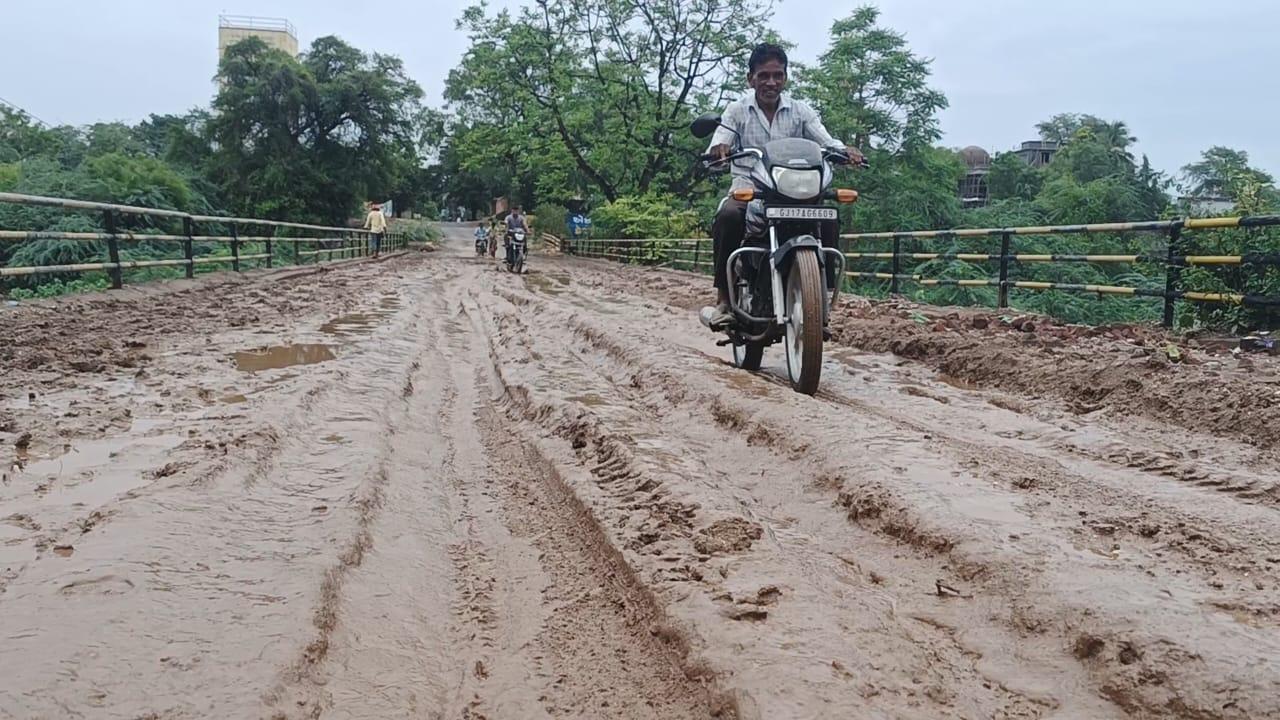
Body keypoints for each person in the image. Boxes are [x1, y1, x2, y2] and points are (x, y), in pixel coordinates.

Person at [703, 43, 865, 327]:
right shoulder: (736, 111)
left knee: (827, 218)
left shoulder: (800, 111)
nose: (771, 82)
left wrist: (844, 150)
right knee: (728, 216)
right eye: (764, 75)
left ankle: (820, 297)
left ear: (785, 77)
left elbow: (825, 139)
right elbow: (721, 138)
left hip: (794, 191)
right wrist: (718, 149)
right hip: (750, 189)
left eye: (778, 75)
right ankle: (724, 299)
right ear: (750, 78)